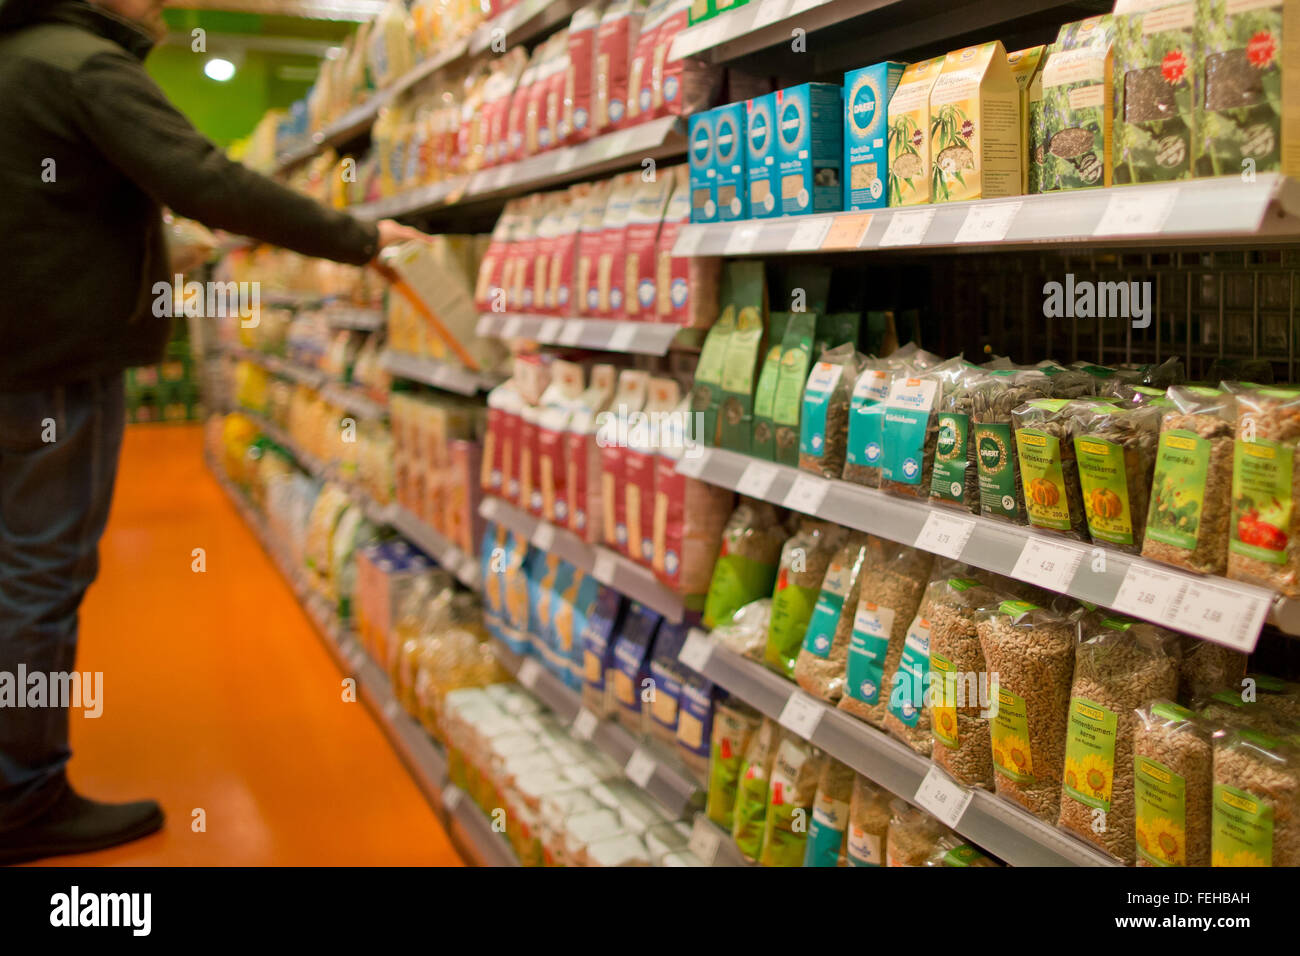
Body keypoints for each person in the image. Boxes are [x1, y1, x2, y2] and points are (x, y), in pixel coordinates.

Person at [0, 0, 427, 864]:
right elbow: (210, 179)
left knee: (15, 566)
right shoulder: (83, 64)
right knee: (40, 573)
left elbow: (54, 205)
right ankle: (24, 796)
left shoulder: (21, 60)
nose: (161, 3)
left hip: (17, 356)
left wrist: (157, 248)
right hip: (53, 362)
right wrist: (358, 237)